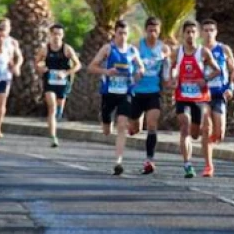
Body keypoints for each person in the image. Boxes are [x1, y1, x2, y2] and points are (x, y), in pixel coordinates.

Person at [88, 20, 145, 176]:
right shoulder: (108, 49)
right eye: (120, 33)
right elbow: (91, 67)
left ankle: (118, 161)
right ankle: (105, 119)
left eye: (126, 33)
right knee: (107, 130)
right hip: (109, 92)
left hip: (125, 92)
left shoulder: (133, 50)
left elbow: (141, 67)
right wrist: (107, 72)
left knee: (122, 125)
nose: (123, 37)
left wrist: (140, 72)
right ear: (115, 33)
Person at [168, 20, 222, 178]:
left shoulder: (203, 52)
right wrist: (172, 78)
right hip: (182, 96)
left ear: (197, 35)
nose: (190, 35)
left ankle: (191, 154)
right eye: (187, 32)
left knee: (195, 134)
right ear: (182, 35)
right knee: (184, 125)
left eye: (193, 32)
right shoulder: (177, 52)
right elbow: (170, 68)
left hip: (199, 97)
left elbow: (217, 70)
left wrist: (205, 79)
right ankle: (187, 165)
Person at [130, 17, 171, 175]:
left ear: (159, 31)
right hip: (137, 92)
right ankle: (134, 122)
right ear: (145, 30)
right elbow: (128, 64)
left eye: (155, 30)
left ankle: (149, 160)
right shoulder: (136, 46)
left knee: (152, 124)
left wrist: (168, 80)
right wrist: (135, 73)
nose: (152, 33)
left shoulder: (163, 48)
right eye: (150, 30)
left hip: (154, 92)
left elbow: (167, 68)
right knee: (134, 129)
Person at [35, 23, 81, 148]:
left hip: (63, 82)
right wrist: (41, 68)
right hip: (49, 82)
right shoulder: (45, 49)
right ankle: (53, 137)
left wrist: (66, 73)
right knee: (52, 107)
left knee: (59, 107)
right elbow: (37, 62)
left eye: (59, 34)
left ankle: (60, 113)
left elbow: (78, 65)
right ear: (50, 35)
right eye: (54, 34)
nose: (56, 37)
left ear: (62, 35)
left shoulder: (67, 49)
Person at [200, 19, 234, 178]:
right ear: (201, 33)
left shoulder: (223, 49)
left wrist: (230, 88)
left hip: (220, 94)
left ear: (216, 32)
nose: (208, 33)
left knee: (219, 133)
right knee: (206, 126)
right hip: (203, 94)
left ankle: (210, 145)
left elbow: (233, 70)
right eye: (205, 30)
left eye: (211, 30)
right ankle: (208, 165)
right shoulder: (197, 51)